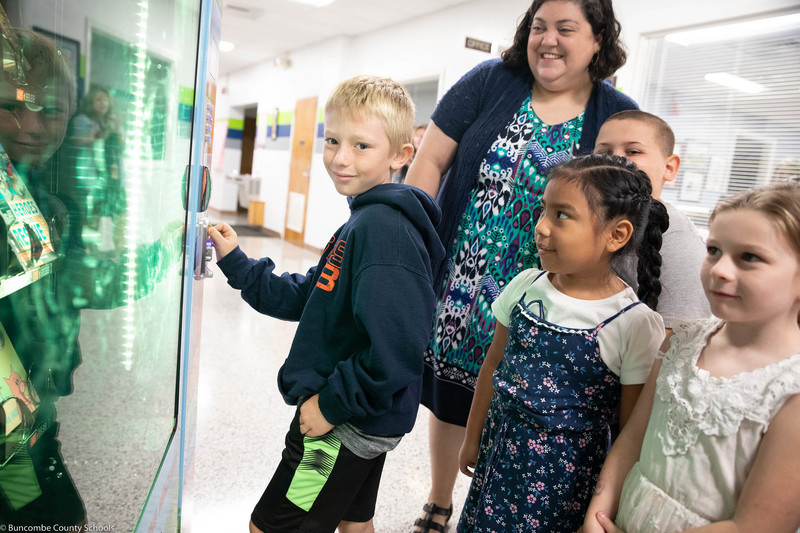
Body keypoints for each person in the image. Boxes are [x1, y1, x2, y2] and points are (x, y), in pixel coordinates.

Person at [405, 1, 638, 530]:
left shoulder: (613, 111)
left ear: (598, 39)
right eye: (539, 27)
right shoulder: (490, 81)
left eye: (566, 29)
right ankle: (440, 501)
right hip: (463, 274)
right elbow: (430, 162)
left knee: (517, 403)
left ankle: (492, 506)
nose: (548, 40)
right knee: (449, 393)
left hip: (547, 292)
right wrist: (413, 239)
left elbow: (625, 197)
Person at [207, 75, 445, 533]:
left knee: (273, 528)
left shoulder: (383, 230)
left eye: (361, 146)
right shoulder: (364, 220)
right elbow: (310, 294)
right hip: (362, 421)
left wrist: (331, 406)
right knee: (355, 523)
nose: (340, 157)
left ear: (400, 155)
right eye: (333, 140)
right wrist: (238, 263)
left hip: (340, 431)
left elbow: (396, 350)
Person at [0, 25, 181, 527]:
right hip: (13, 426)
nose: (32, 125)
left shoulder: (34, 188)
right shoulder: (12, 195)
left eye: (51, 110)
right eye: (12, 105)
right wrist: (162, 253)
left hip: (27, 412)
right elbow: (83, 279)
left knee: (32, 502)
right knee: (48, 512)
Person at [455, 153, 667, 532]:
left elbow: (628, 431)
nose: (542, 228)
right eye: (543, 211)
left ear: (616, 234)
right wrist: (472, 437)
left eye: (561, 215)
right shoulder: (525, 285)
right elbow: (493, 365)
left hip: (563, 486)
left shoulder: (633, 323)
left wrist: (608, 506)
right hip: (498, 451)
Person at [581, 180, 800, 533]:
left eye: (749, 257)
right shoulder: (681, 342)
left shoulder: (791, 391)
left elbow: (755, 525)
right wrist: (599, 512)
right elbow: (633, 438)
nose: (720, 269)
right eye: (714, 250)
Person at [594, 110, 711, 330]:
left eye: (633, 151)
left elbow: (676, 341)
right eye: (604, 151)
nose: (616, 159)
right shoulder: (590, 218)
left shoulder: (678, 241)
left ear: (669, 168)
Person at [62, 84, 126, 254]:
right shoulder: (82, 120)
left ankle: (115, 253)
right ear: (91, 102)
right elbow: (78, 140)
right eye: (98, 99)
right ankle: (89, 254)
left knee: (116, 216)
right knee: (90, 217)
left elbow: (121, 145)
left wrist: (117, 128)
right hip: (89, 179)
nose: (103, 103)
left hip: (112, 179)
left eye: (105, 99)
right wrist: (103, 132)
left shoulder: (111, 121)